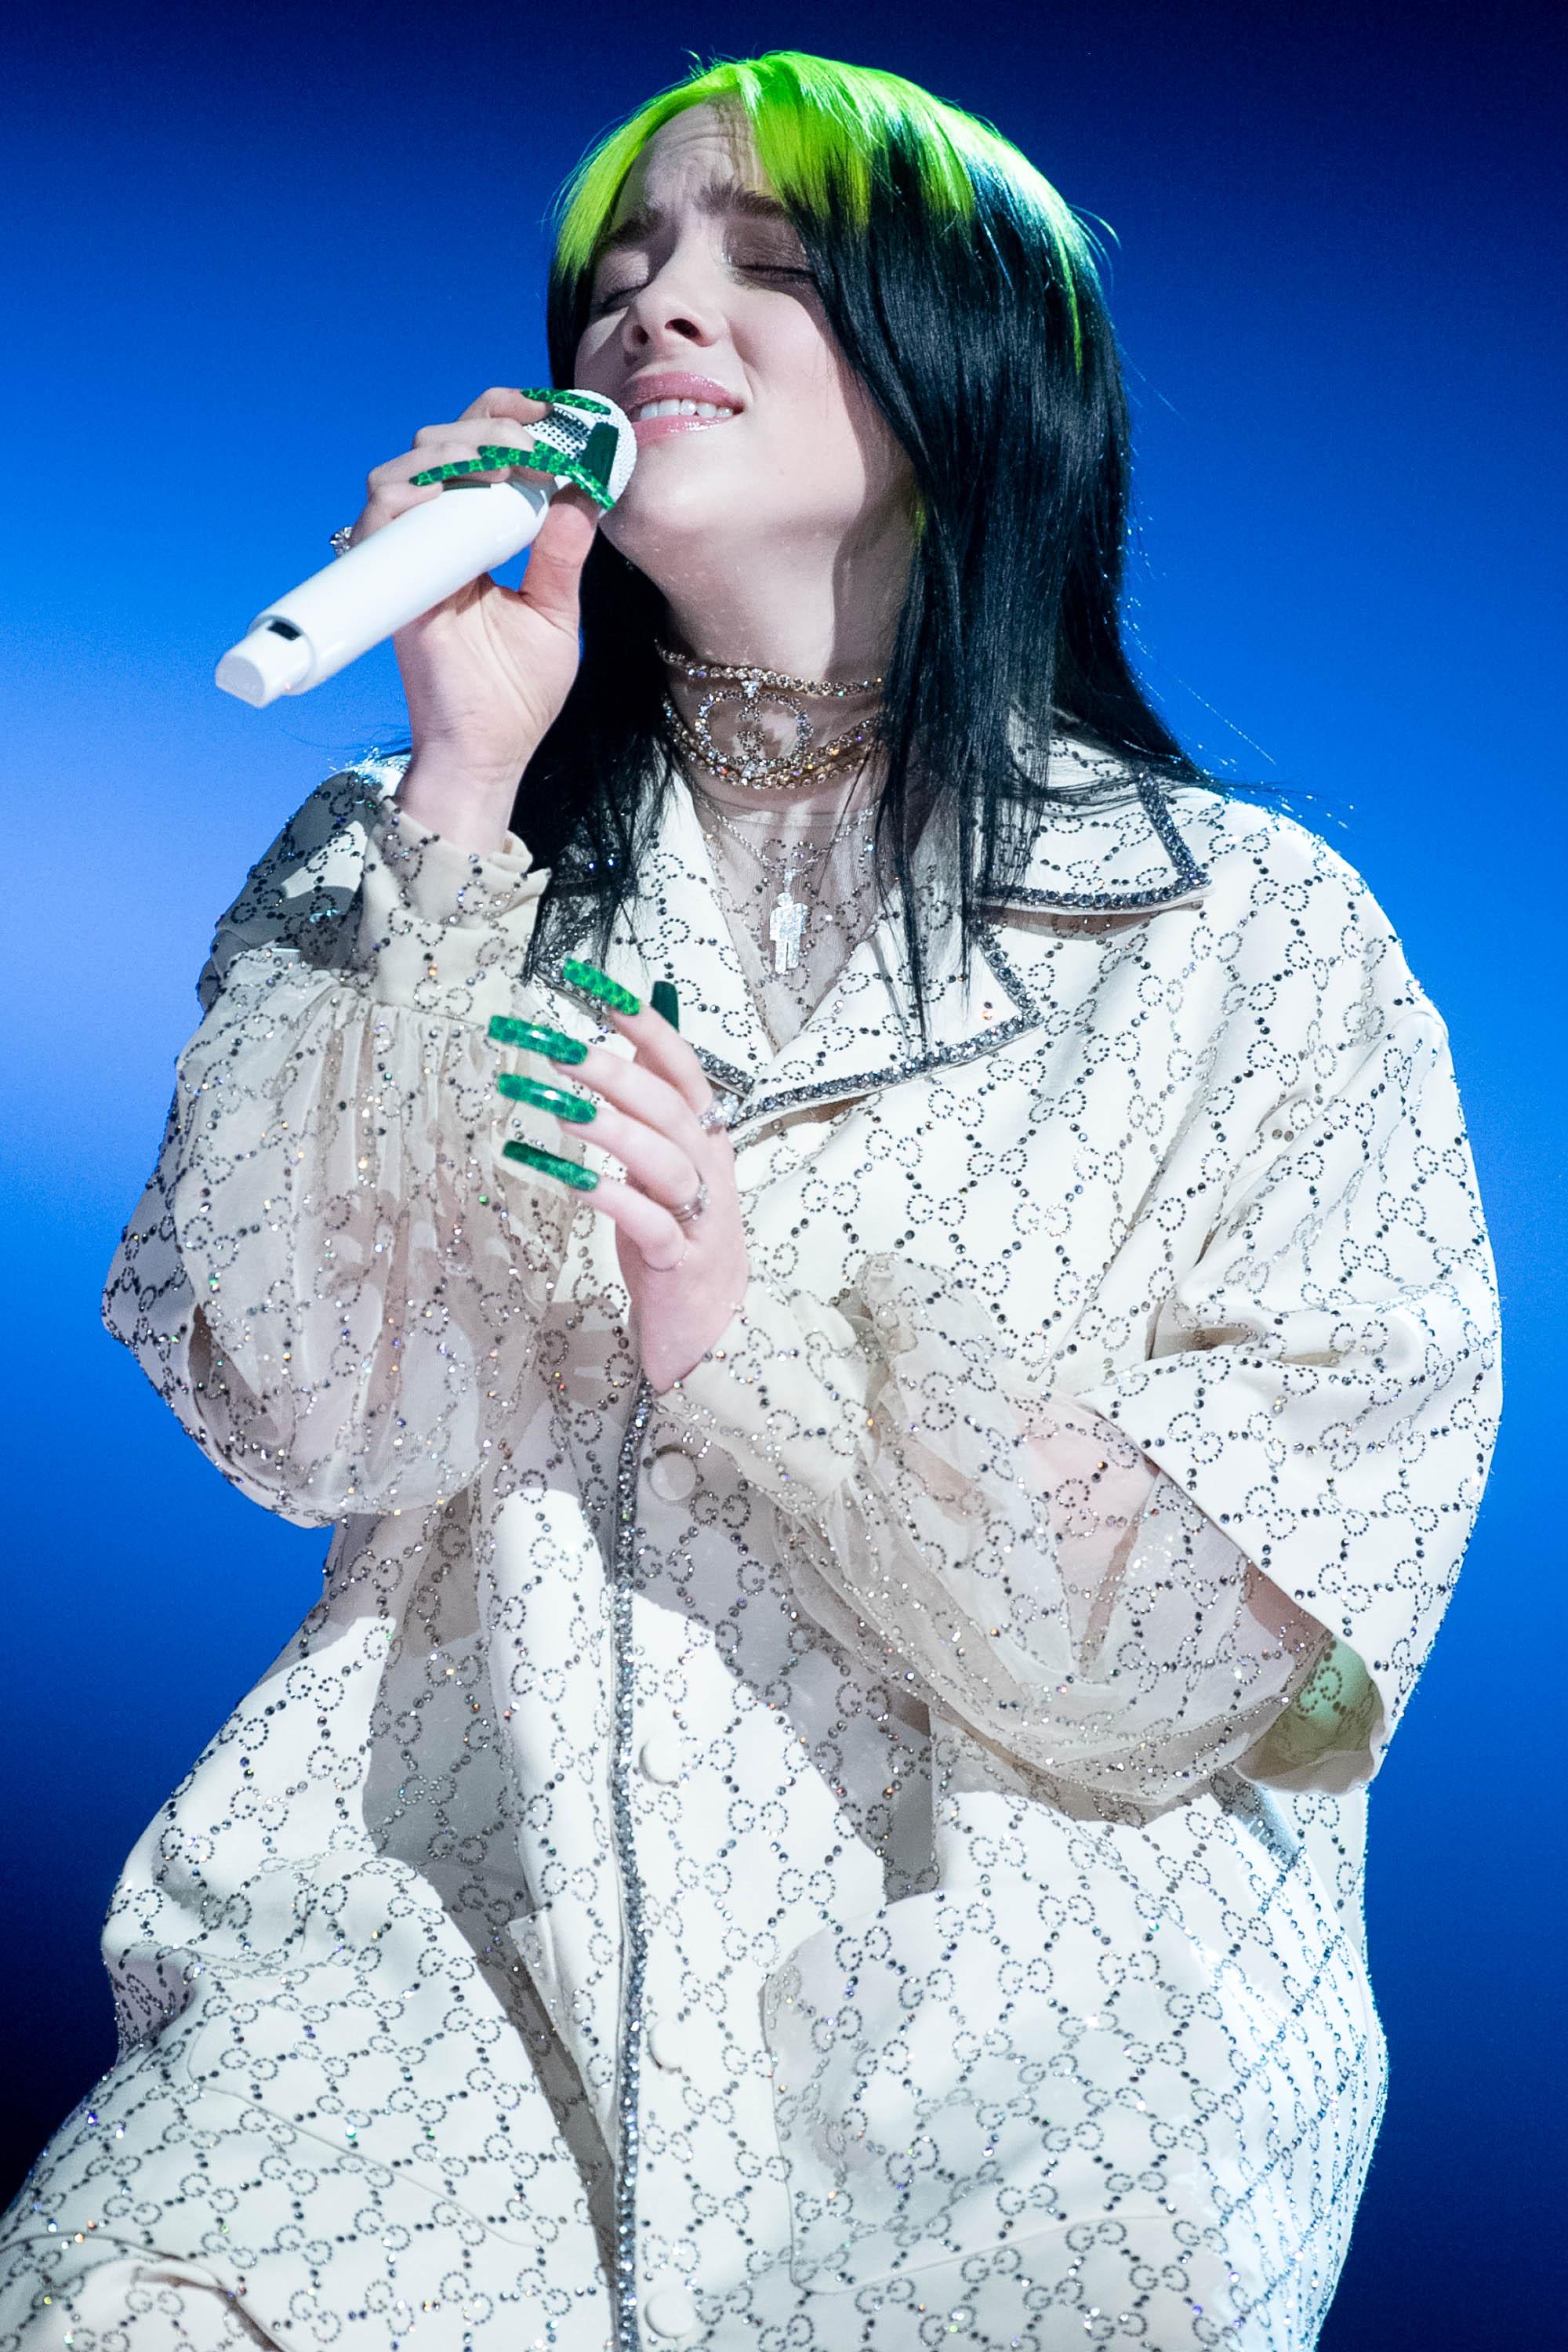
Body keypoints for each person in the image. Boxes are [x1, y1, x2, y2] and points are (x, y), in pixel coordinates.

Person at [0, 48, 1499, 2352]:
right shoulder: (417, 846)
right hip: (432, 1970)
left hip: (1010, 2055)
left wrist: (750, 1331)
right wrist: (463, 787)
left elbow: (1279, 1657)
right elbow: (300, 1404)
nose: (655, 313)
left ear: (973, 372)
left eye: (768, 268)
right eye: (620, 272)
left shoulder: (1251, 944)